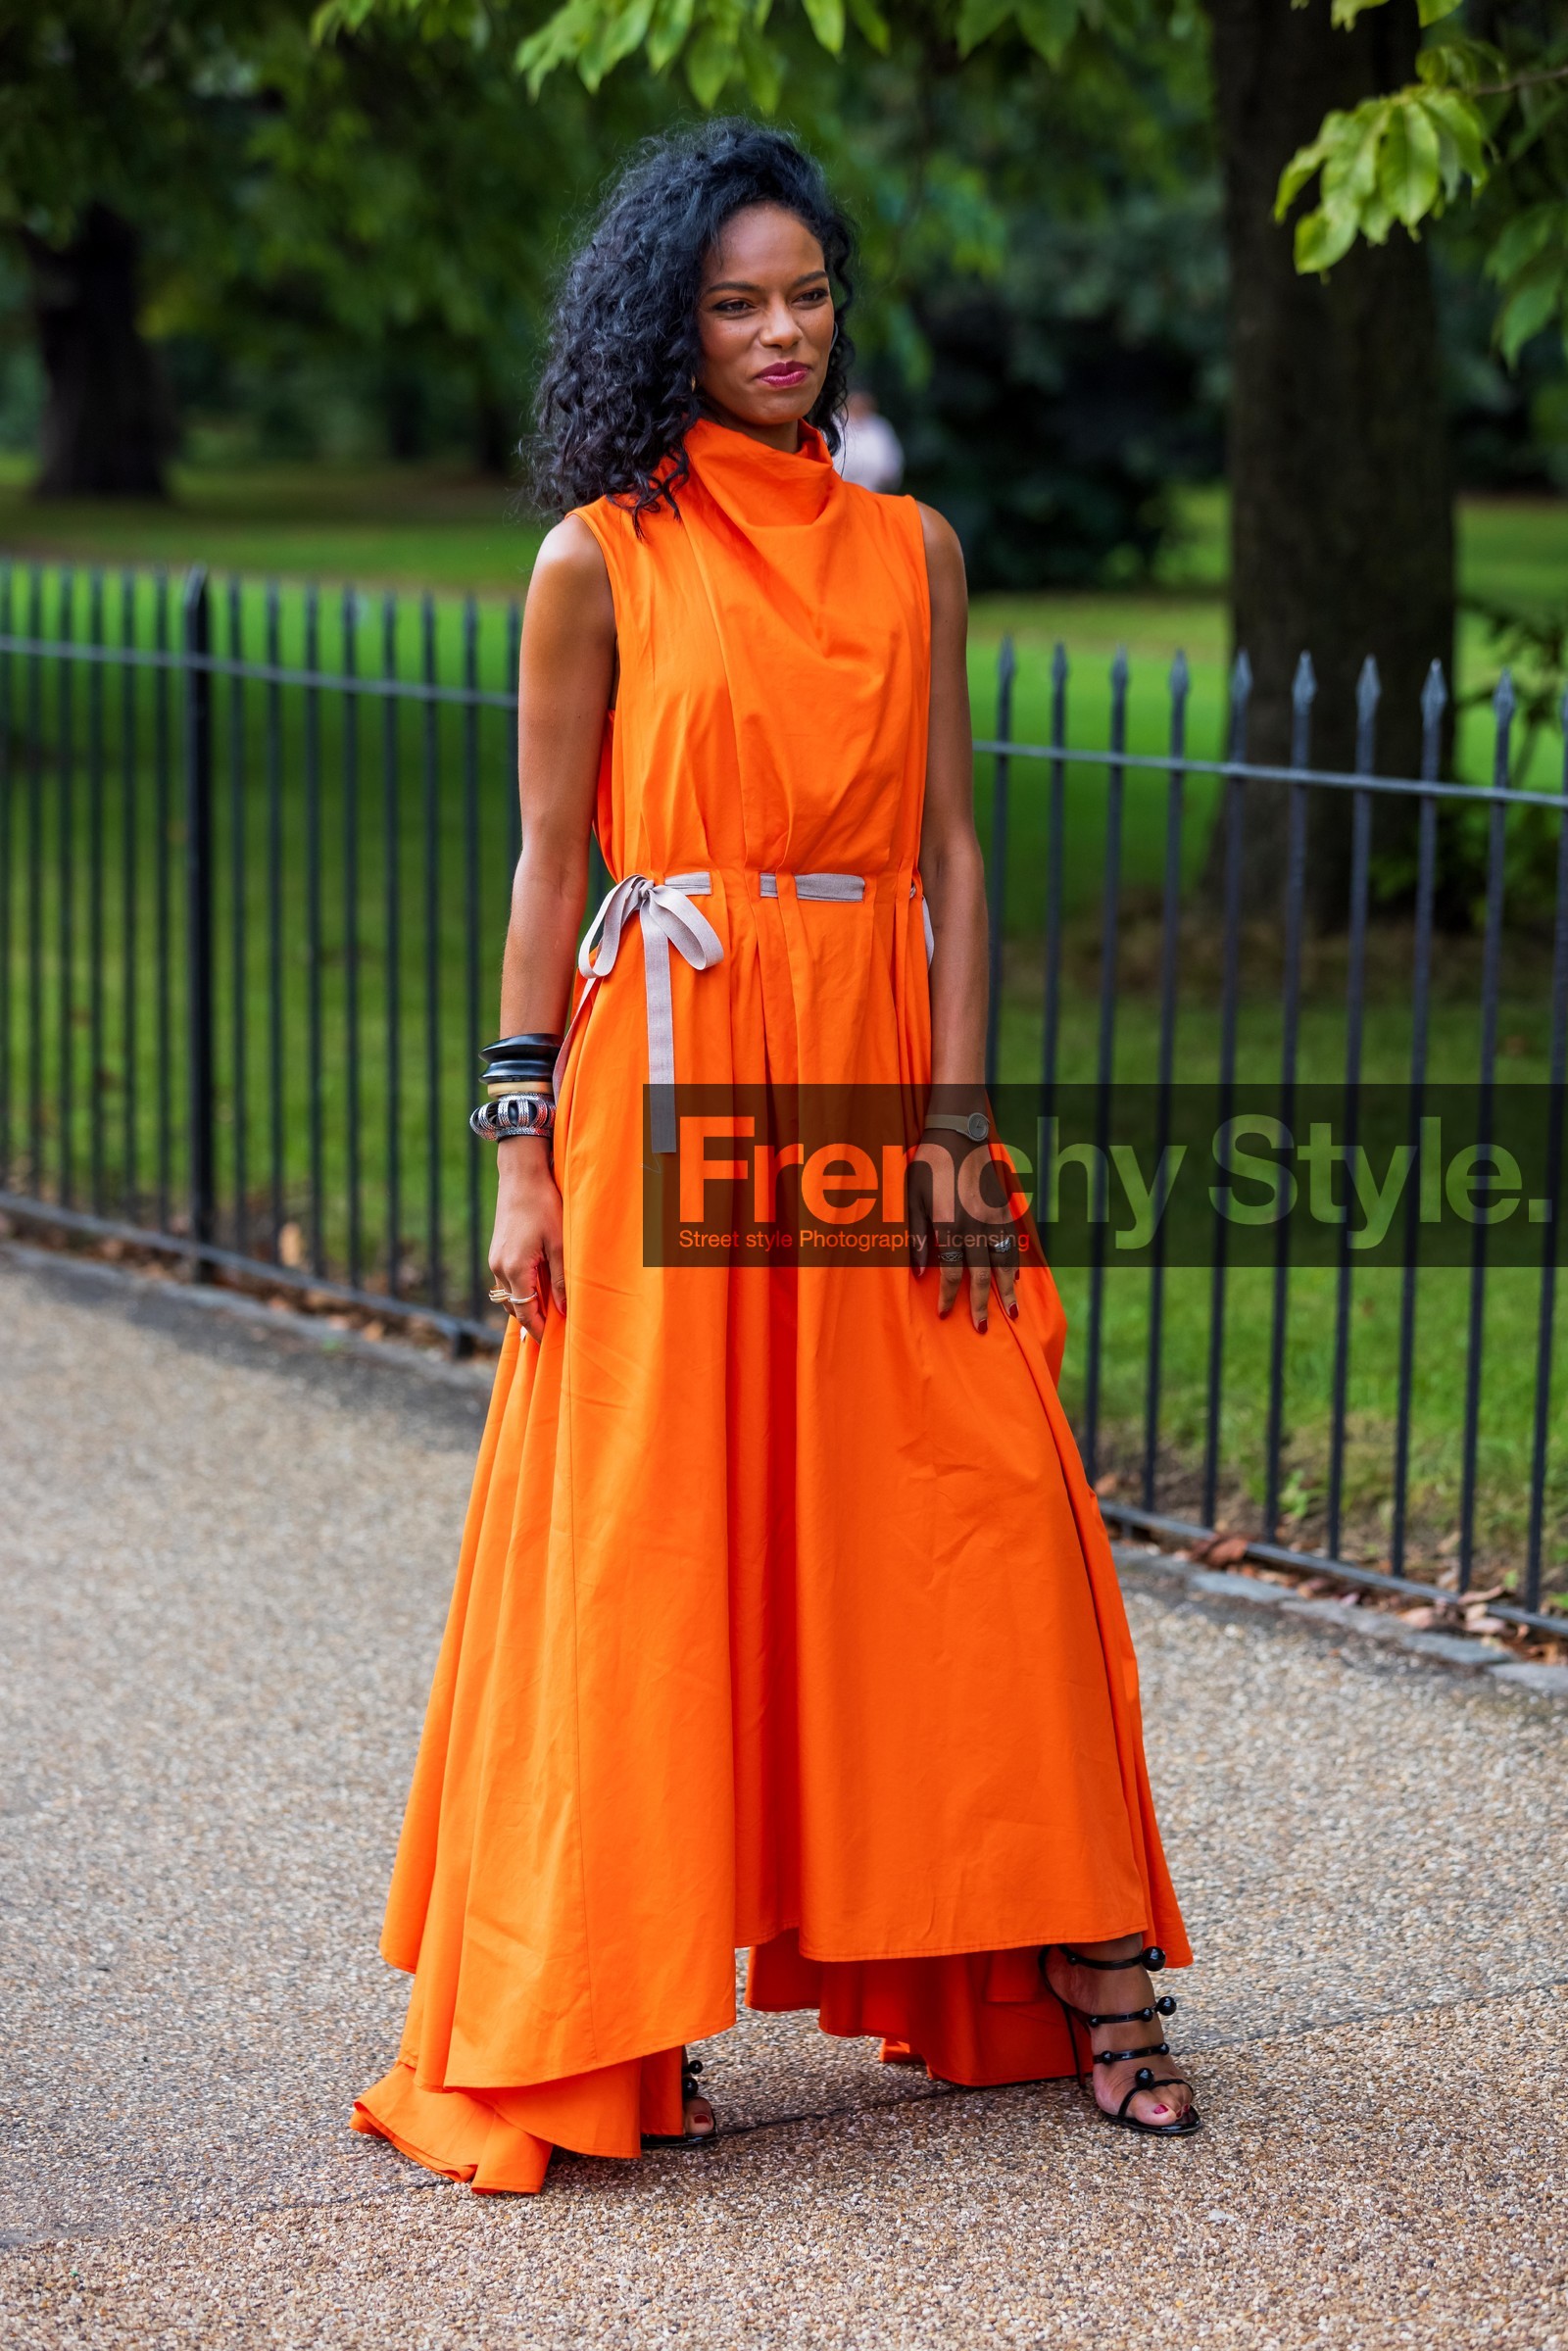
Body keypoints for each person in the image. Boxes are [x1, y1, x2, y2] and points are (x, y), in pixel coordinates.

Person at [351, 122, 1198, 2197]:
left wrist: (956, 1114)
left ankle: (1072, 1955)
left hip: (873, 1077)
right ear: (669, 321)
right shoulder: (598, 558)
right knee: (660, 1535)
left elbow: (953, 850)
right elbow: (551, 869)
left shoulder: (911, 554)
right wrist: (517, 1150)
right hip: (664, 1079)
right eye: (735, 302)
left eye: (806, 293)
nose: (780, 331)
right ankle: (602, 2008)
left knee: (980, 1488)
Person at [837, 386, 905, 492]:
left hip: (874, 492)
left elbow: (893, 462)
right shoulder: (834, 425)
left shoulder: (880, 427)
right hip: (840, 493)